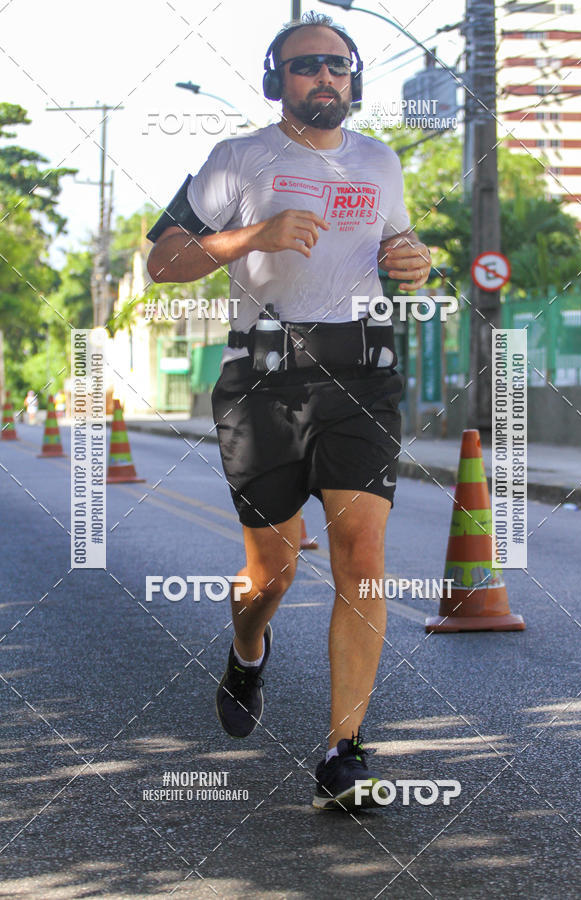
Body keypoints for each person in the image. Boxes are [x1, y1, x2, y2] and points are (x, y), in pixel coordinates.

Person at [147, 11, 432, 811]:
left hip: (363, 372)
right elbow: (164, 260)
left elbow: (399, 249)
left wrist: (415, 260)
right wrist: (252, 236)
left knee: (361, 551)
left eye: (339, 68)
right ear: (278, 81)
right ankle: (248, 645)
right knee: (274, 564)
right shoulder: (237, 159)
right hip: (263, 377)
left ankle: (344, 752)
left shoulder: (380, 161)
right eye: (308, 66)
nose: (326, 79)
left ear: (355, 82)